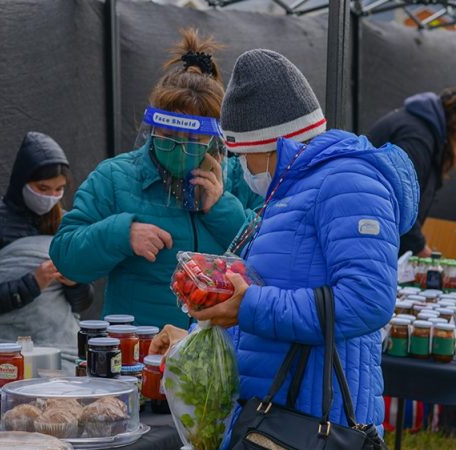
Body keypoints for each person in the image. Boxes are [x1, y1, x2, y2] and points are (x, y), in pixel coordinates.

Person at [151, 49, 418, 436]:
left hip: (315, 422)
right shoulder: (290, 191)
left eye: (244, 156)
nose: (243, 168)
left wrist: (249, 307)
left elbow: (368, 300)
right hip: (274, 417)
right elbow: (272, 288)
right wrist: (193, 341)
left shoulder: (346, 183)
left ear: (274, 144)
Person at [49, 29, 262, 329]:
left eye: (193, 140)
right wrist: (122, 234)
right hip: (140, 351)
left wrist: (221, 208)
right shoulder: (115, 177)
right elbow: (65, 255)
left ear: (216, 139)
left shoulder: (242, 178)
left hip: (221, 351)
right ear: (152, 129)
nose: (178, 148)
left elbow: (272, 255)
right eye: (167, 136)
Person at [0, 131, 93, 357]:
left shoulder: (65, 223)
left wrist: (74, 282)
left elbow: (82, 303)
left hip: (59, 347)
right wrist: (32, 283)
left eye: (58, 189)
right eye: (42, 188)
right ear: (22, 180)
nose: (51, 197)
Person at [367, 88, 456, 257]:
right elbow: (401, 201)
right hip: (368, 242)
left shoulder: (422, 128)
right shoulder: (417, 137)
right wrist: (423, 252)